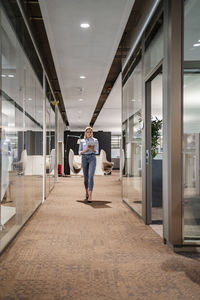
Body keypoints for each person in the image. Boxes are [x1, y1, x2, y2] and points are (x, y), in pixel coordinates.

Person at [78, 126, 99, 203]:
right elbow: (79, 152)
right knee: (86, 177)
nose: (89, 133)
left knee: (91, 176)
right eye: (87, 132)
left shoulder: (95, 140)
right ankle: (86, 192)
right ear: (85, 133)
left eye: (90, 132)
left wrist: (93, 149)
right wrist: (85, 150)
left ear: (91, 133)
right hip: (84, 158)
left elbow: (97, 151)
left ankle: (90, 194)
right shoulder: (82, 141)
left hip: (92, 158)